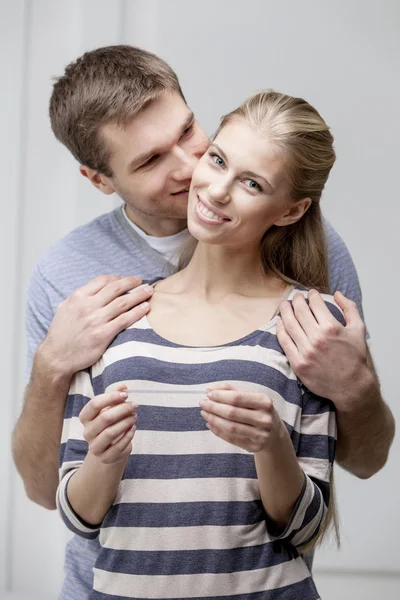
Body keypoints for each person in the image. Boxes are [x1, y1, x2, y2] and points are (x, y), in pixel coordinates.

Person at [11, 46, 394, 599]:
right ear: (99, 179)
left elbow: (365, 461)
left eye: (190, 132)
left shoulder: (312, 256)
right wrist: (50, 367)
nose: (194, 171)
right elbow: (51, 495)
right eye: (149, 161)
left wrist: (355, 388)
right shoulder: (67, 276)